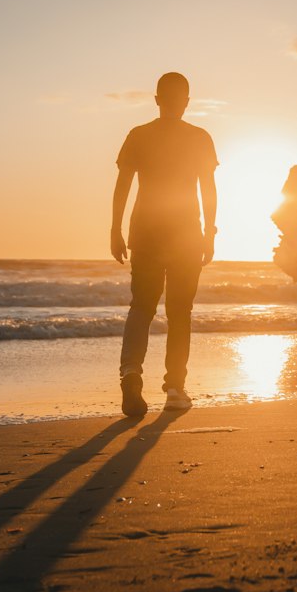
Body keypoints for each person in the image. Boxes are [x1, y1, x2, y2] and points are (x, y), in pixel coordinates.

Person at [110, 72, 218, 416]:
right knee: (179, 312)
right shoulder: (200, 137)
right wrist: (210, 233)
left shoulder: (139, 135)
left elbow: (123, 185)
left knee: (141, 306)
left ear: (157, 99)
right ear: (186, 101)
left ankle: (130, 373)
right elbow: (208, 190)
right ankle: (175, 388)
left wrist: (115, 229)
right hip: (186, 233)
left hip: (146, 231)